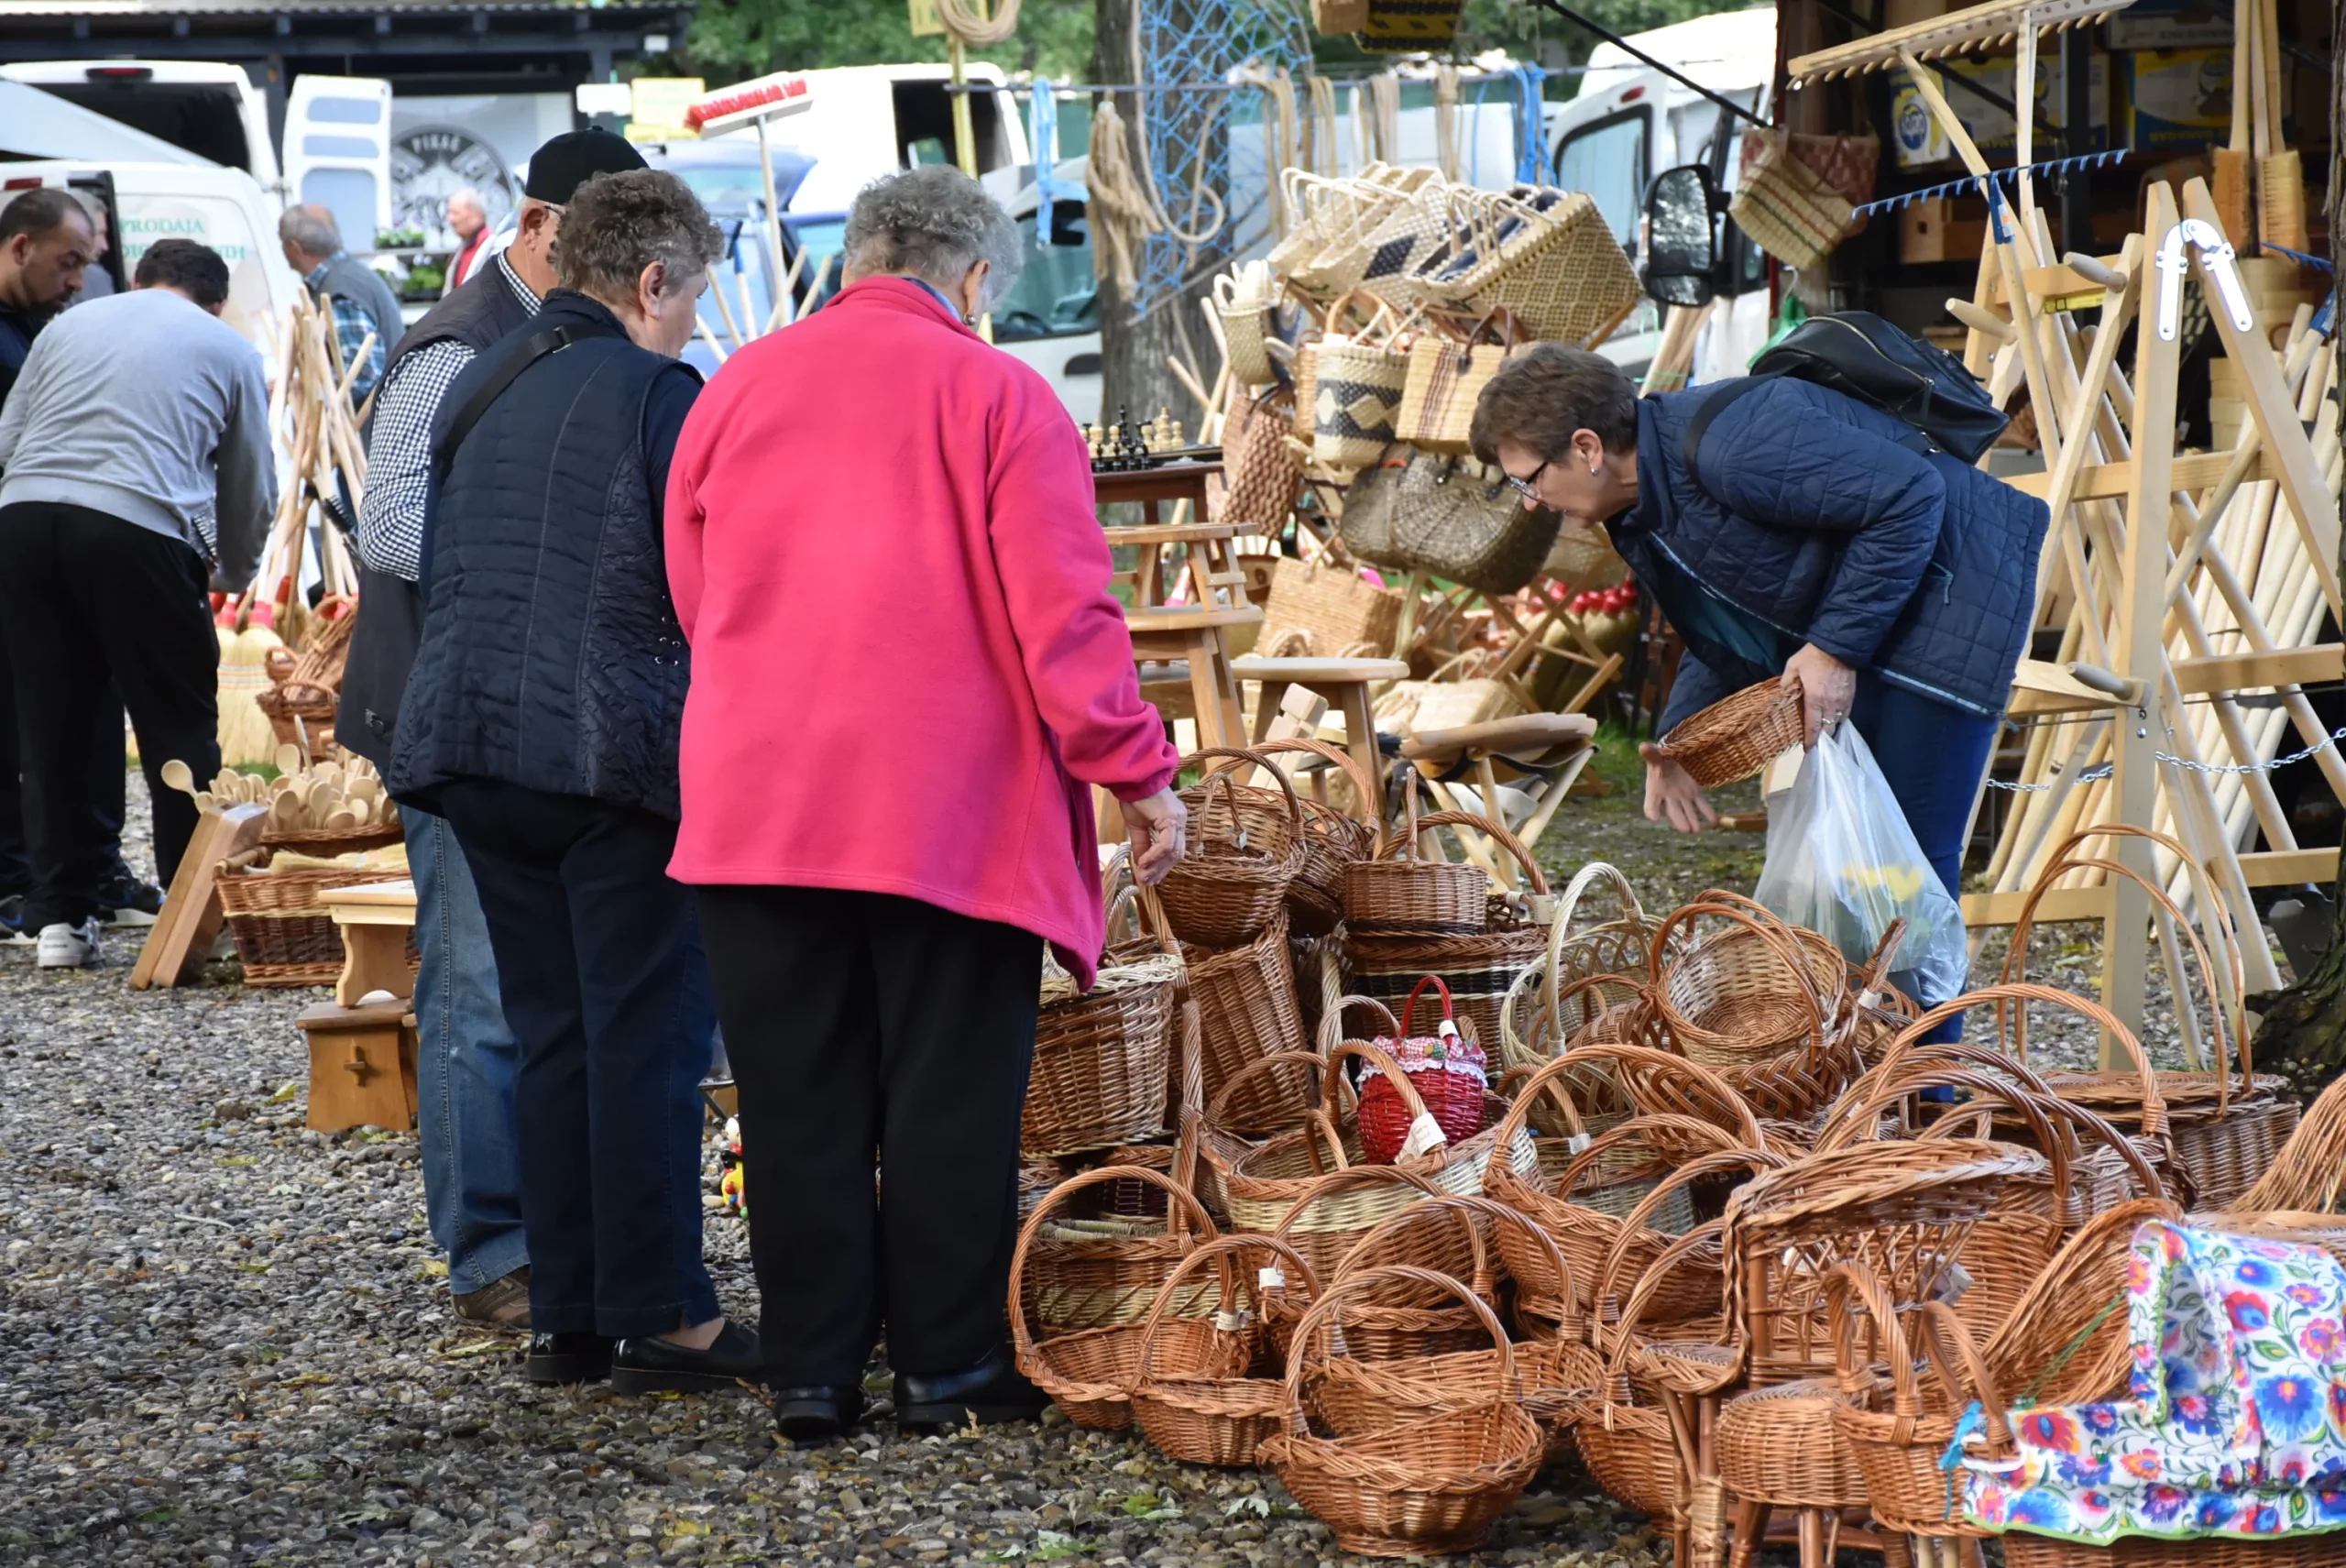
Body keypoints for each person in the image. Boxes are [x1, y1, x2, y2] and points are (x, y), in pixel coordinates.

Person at [665, 166, 1189, 1442]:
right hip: (945, 811)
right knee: (946, 1097)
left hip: (757, 799)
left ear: (856, 261)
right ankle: (946, 1362)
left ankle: (812, 1368)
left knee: (794, 1101)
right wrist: (1137, 769)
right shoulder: (1000, 392)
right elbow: (1066, 616)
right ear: (971, 280)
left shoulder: (731, 388)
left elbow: (694, 592)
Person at [390, 170, 744, 1392]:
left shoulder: (482, 373)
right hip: (606, 754)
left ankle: (570, 1317)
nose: (697, 321)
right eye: (694, 296)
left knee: (553, 1032)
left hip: (470, 747)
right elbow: (711, 580)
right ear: (652, 282)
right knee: (644, 1033)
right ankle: (666, 1313)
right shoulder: (658, 390)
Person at [1471, 345, 2048, 1035]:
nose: (1531, 501)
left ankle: (1927, 1105)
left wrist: (1833, 647)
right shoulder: (1643, 506)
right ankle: (1870, 1090)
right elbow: (1726, 626)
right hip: (1881, 622)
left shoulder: (1731, 444)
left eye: (1528, 480)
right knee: (1858, 884)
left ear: (1588, 446)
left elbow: (1908, 497)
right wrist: (1678, 738)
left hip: (1947, 614)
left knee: (1904, 883)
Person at [339, 126, 647, 1332]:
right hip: (452, 712)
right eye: (600, 242)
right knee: (476, 984)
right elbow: (392, 532)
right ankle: (491, 1251)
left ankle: (566, 1237)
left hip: (538, 719)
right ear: (536, 231)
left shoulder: (568, 339)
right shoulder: (454, 346)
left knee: (555, 986)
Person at [0, 238, 273, 969]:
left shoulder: (68, 324)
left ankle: (59, 916)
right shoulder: (228, 347)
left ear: (138, 281)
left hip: (24, 518)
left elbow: (10, 435)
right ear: (215, 302)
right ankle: (190, 915)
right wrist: (234, 573)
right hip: (136, 525)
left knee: (52, 722)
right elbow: (248, 486)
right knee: (177, 726)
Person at [0, 189, 158, 944]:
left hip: (48, 540)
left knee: (89, 706)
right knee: (24, 721)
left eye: (86, 266)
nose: (77, 282)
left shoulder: (49, 329)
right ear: (18, 246)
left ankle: (90, 871)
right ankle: (16, 879)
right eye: (68, 264)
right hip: (20, 542)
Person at [279, 205, 404, 408]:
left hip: (365, 432)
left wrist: (299, 388)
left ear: (295, 248)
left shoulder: (340, 292)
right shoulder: (350, 276)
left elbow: (361, 376)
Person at [443, 188, 490, 296]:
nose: (450, 219)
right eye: (449, 212)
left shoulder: (493, 249)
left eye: (455, 213)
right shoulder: (463, 249)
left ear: (476, 215)